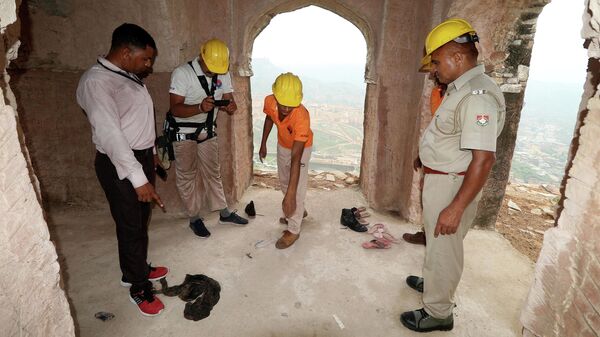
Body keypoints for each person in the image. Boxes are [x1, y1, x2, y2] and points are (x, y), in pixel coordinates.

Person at [400, 18, 505, 332]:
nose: (434, 68)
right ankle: (436, 284)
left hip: (452, 185)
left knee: (445, 248)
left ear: (458, 58)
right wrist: (426, 153)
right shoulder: (461, 89)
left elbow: (483, 159)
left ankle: (438, 312)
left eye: (436, 61)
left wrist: (455, 207)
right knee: (438, 244)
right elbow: (451, 133)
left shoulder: (477, 97)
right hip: (444, 178)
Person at [76, 23, 168, 316]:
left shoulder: (127, 75)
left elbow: (138, 120)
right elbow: (111, 136)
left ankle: (136, 268)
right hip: (120, 164)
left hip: (139, 158)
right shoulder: (97, 82)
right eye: (146, 59)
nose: (149, 65)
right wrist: (138, 179)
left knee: (140, 221)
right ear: (126, 52)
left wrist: (151, 154)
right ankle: (138, 288)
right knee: (130, 225)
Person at [169, 38, 248, 238]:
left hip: (208, 130)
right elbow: (175, 108)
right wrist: (199, 108)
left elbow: (231, 101)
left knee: (214, 172)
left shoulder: (223, 72)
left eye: (217, 69)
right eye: (210, 68)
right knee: (187, 175)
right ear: (202, 57)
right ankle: (194, 218)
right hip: (183, 131)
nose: (214, 72)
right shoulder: (182, 73)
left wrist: (230, 106)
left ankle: (224, 212)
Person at [259, 73, 313, 249]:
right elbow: (269, 118)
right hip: (283, 143)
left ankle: (294, 230)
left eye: (291, 106)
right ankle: (297, 210)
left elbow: (296, 159)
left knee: (295, 188)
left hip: (301, 149)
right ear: (275, 95)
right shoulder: (270, 101)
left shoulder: (302, 116)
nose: (286, 109)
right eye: (283, 104)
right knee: (283, 182)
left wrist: (291, 196)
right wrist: (263, 143)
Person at [403, 61, 448, 246]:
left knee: (442, 204)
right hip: (434, 157)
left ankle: (436, 239)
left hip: (450, 164)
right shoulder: (437, 92)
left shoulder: (462, 96)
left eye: (435, 70)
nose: (432, 74)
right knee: (428, 199)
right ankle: (427, 232)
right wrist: (423, 155)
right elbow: (435, 127)